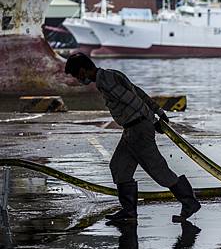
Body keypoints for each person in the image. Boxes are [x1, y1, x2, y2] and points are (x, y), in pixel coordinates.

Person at [64, 53, 201, 224]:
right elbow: (139, 93)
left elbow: (133, 101)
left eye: (78, 75)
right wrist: (158, 111)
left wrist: (153, 120)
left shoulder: (106, 82)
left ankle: (189, 202)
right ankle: (129, 212)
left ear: (83, 70)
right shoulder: (112, 74)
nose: (78, 79)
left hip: (139, 129)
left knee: (158, 170)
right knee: (119, 167)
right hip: (131, 129)